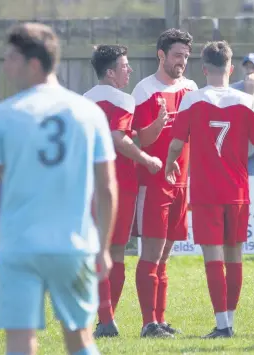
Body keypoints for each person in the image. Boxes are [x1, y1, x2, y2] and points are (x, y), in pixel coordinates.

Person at [0, 22, 117, 355]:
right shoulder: (88, 113)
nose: (6, 66)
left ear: (34, 64)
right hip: (74, 246)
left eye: (11, 58)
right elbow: (108, 188)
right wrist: (104, 246)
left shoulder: (4, 116)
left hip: (18, 247)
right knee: (80, 338)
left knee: (21, 343)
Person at [165, 40, 254, 338]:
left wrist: (168, 165)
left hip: (205, 192)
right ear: (231, 68)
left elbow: (177, 143)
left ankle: (222, 325)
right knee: (235, 257)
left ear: (204, 69)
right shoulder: (247, 101)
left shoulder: (191, 100)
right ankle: (229, 321)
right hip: (238, 191)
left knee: (213, 258)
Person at [84, 45, 163, 338]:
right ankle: (106, 320)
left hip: (91, 182)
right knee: (115, 252)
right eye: (125, 66)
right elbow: (119, 137)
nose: (129, 70)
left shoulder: (83, 100)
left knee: (101, 251)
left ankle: (106, 320)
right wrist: (146, 158)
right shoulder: (123, 100)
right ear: (110, 72)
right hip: (120, 183)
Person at [131, 28, 198, 338]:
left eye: (186, 56)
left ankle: (160, 319)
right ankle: (148, 324)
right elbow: (138, 141)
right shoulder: (144, 91)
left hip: (181, 183)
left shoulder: (191, 88)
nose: (182, 61)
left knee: (167, 255)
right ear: (161, 55)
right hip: (154, 182)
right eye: (177, 55)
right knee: (151, 254)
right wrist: (157, 125)